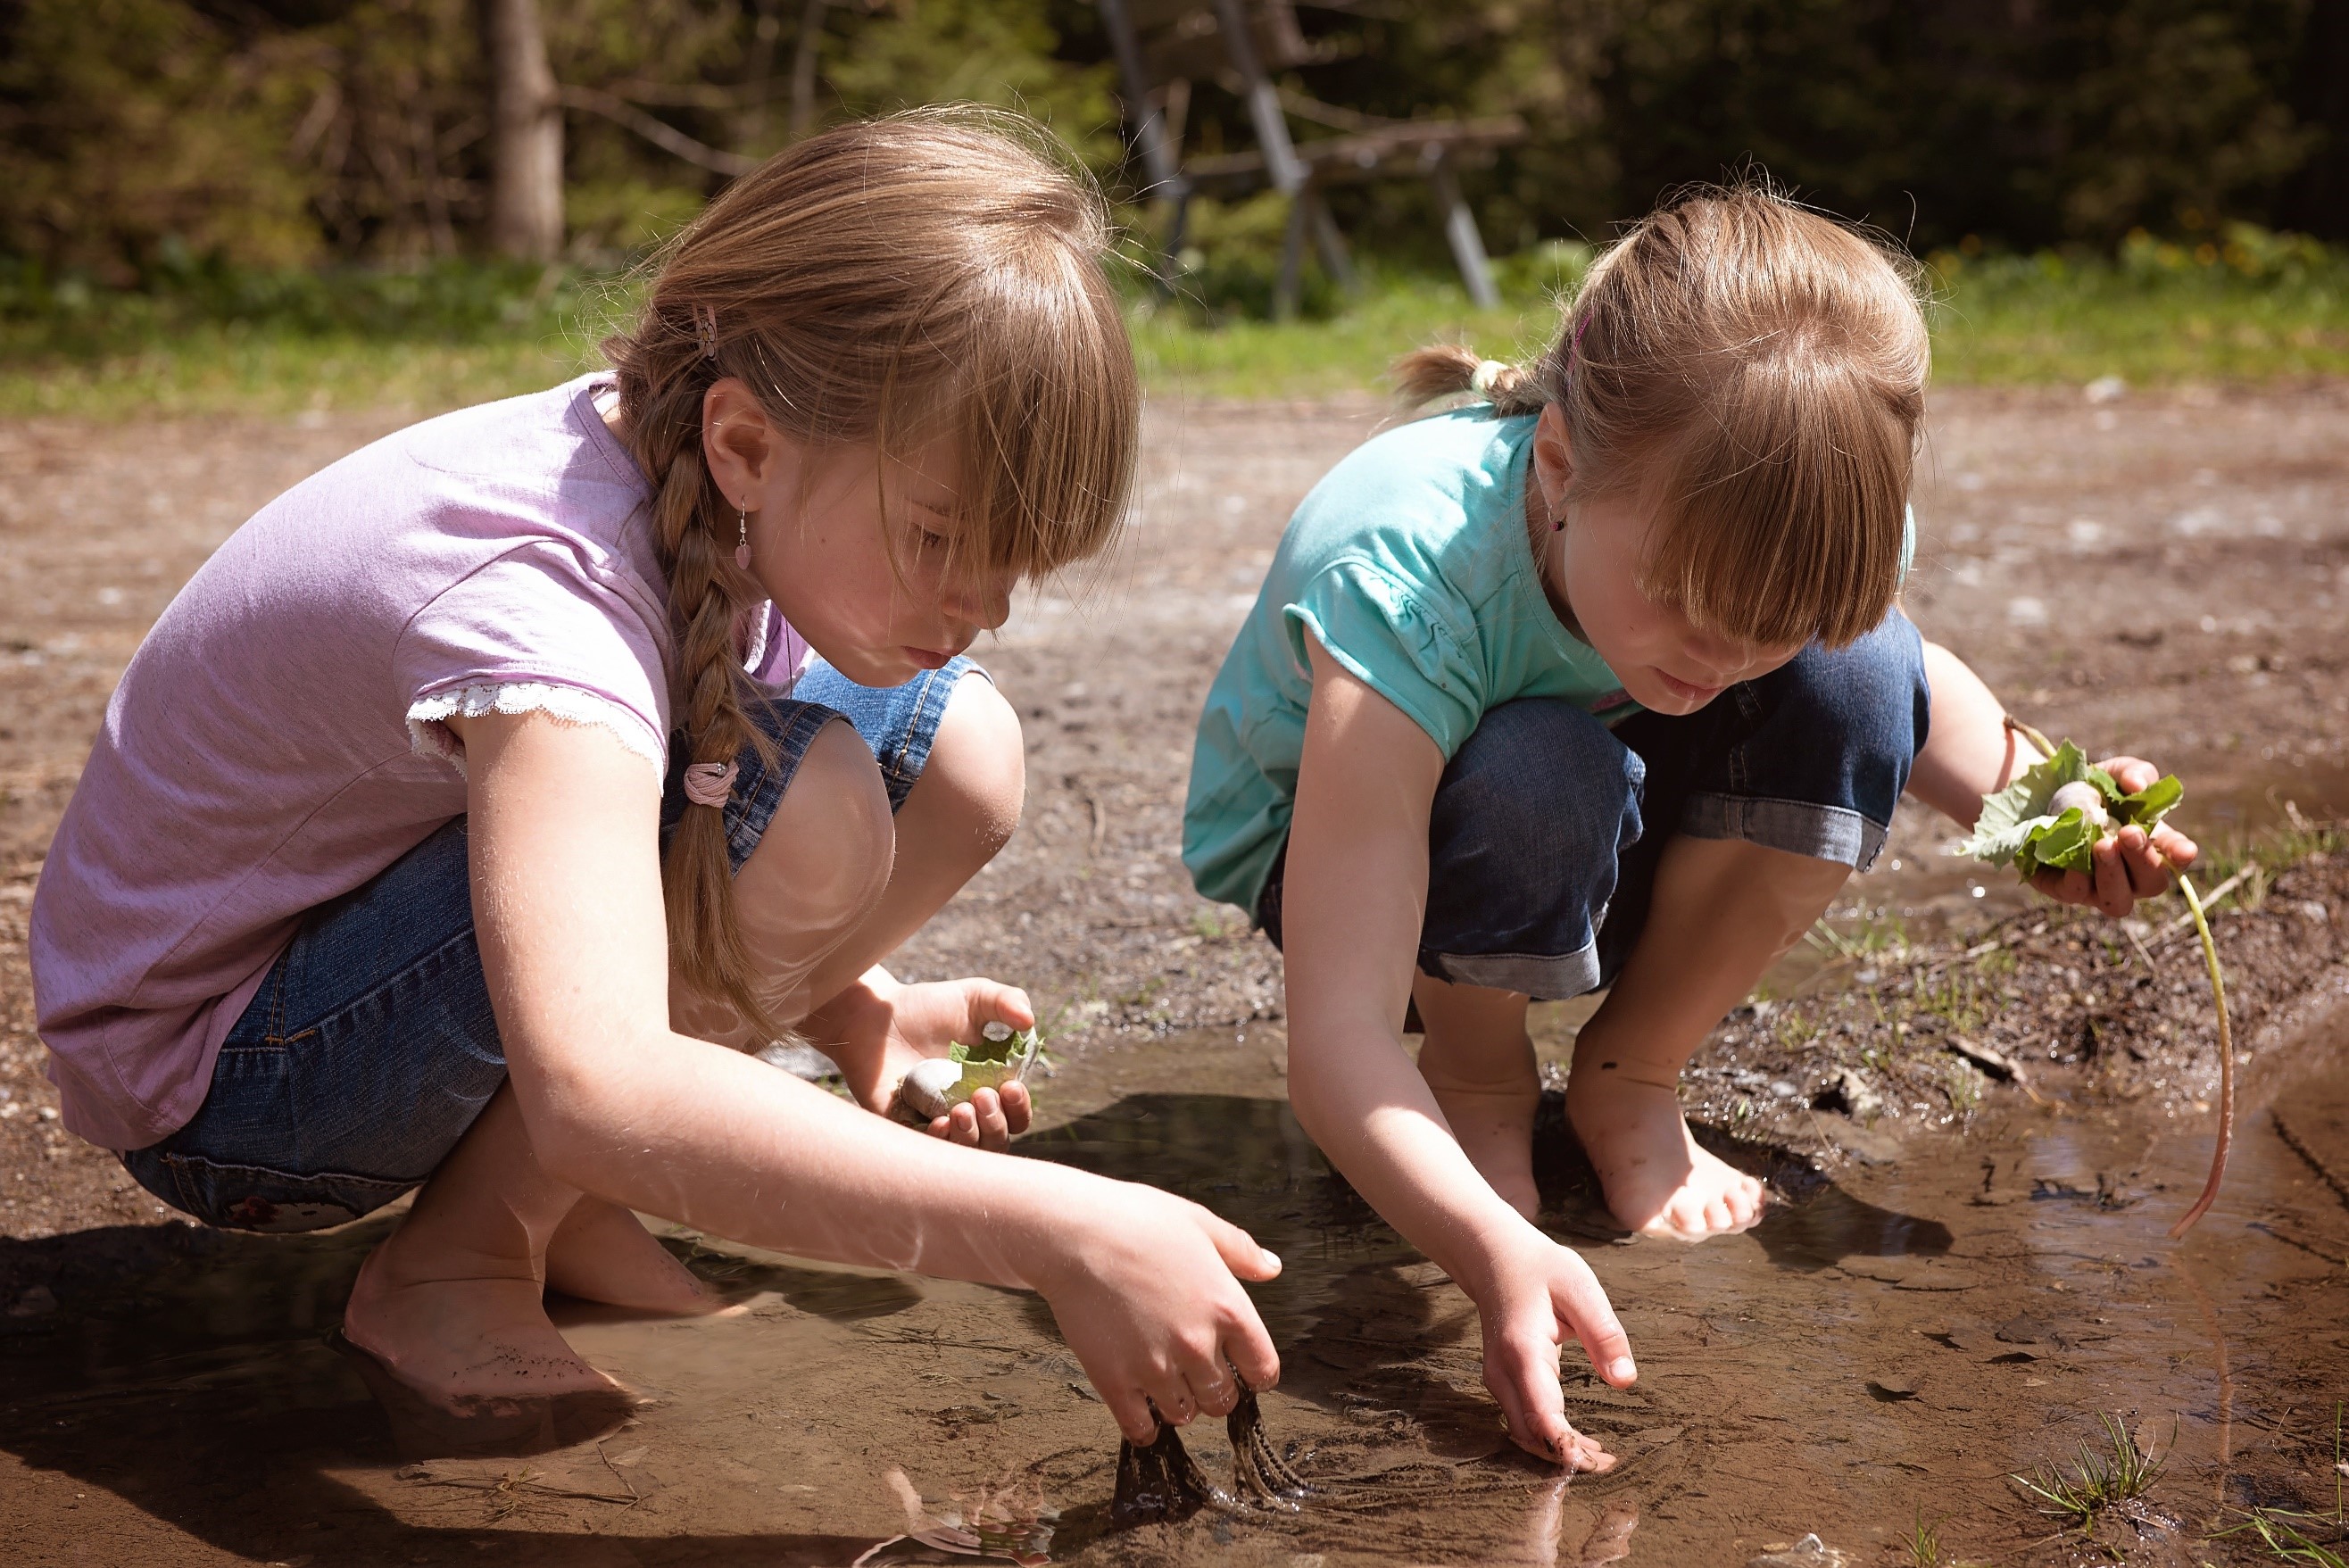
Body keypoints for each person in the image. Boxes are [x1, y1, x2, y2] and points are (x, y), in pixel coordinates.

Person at [29, 111, 1279, 1448]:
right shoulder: (548, 604)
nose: (987, 606)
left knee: (960, 750)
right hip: (228, 1077)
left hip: (353, 960)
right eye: (940, 539)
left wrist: (859, 1013)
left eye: (1018, 562)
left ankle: (558, 1205)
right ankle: (456, 1264)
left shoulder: (718, 483)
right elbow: (601, 1078)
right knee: (804, 805)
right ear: (746, 445)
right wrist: (1058, 1227)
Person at [1182, 183, 2196, 1468]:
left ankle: (1633, 1070)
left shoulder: (1789, 529)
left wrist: (2052, 809)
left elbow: (1917, 701)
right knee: (1539, 767)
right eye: (1684, 602)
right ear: (1559, 468)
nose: (1722, 656)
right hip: (1345, 851)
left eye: (1766, 619)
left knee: (1865, 667)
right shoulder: (1413, 572)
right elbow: (1331, 1039)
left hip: (1591, 788)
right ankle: (1478, 1077)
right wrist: (1488, 1248)